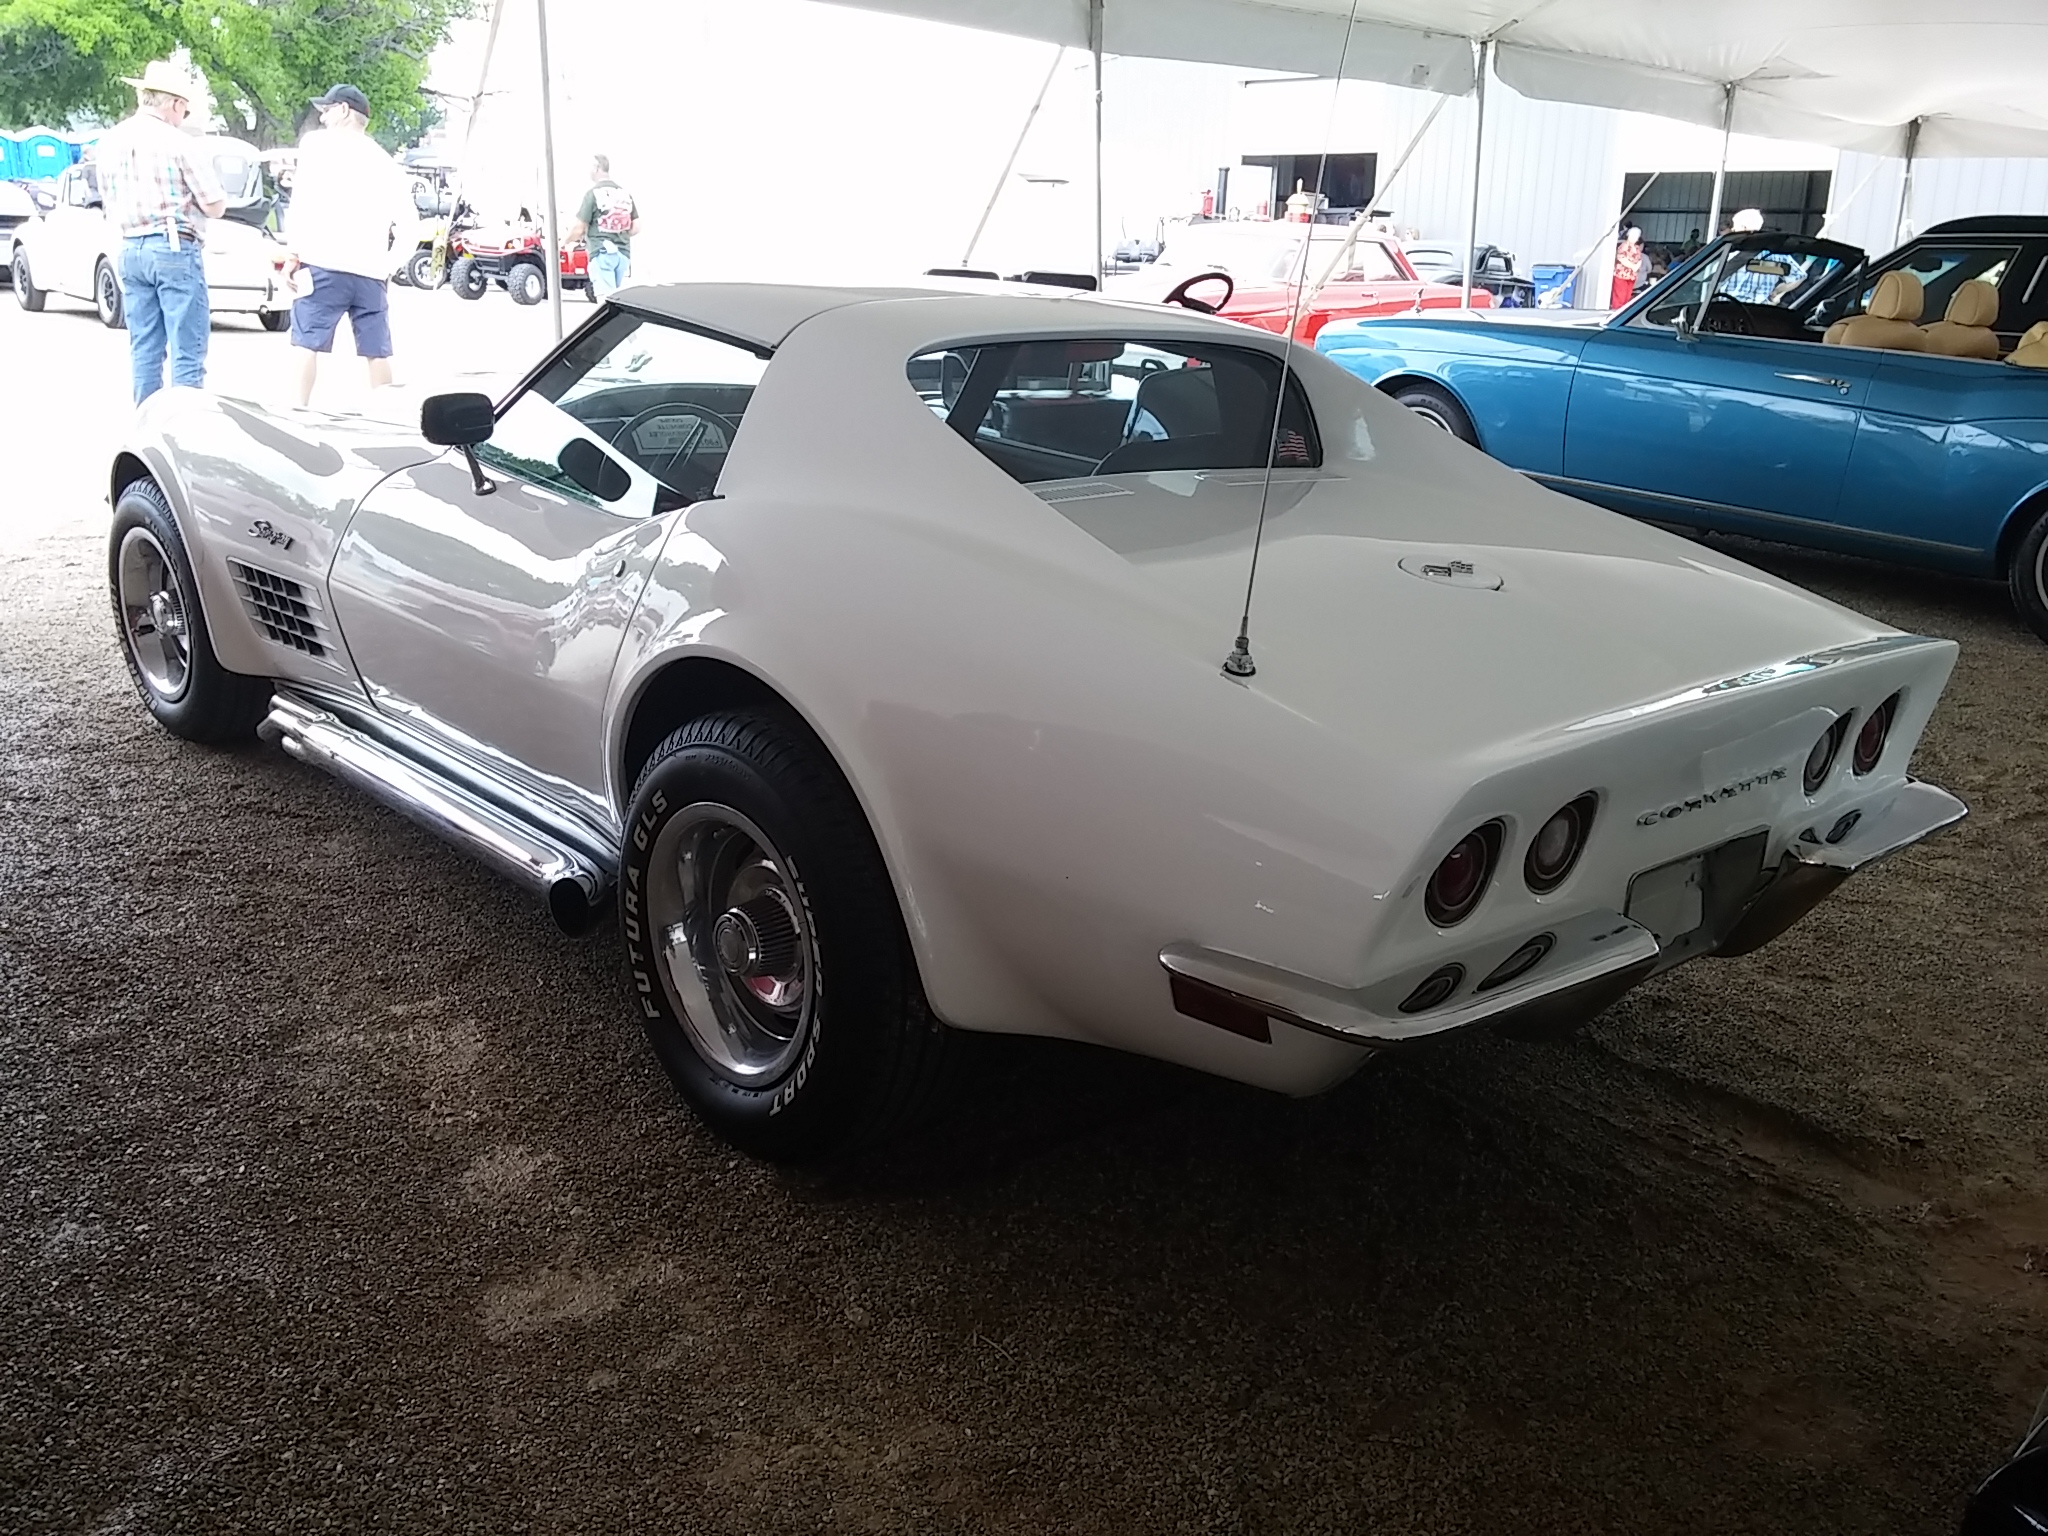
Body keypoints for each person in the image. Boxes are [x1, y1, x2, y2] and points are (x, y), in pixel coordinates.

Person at [95, 60, 228, 405]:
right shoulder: (179, 142)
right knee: (187, 348)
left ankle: (145, 430)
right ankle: (182, 431)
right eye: (184, 109)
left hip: (131, 246)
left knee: (145, 347)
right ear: (174, 103)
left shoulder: (109, 141)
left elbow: (107, 199)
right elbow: (214, 204)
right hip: (172, 245)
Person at [282, 84, 416, 407]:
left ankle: (298, 410)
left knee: (306, 343)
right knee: (377, 351)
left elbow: (301, 203)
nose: (323, 117)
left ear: (343, 110)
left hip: (323, 263)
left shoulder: (315, 145)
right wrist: (388, 264)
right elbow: (410, 226)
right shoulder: (386, 162)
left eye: (326, 110)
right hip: (370, 272)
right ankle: (387, 415)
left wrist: (293, 253)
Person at [567, 155, 638, 299]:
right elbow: (636, 226)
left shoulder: (593, 194)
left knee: (605, 301)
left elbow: (579, 228)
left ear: (596, 167)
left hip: (602, 251)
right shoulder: (625, 194)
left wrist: (563, 242)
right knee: (617, 297)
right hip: (623, 254)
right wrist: (619, 234)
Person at [1610, 227, 1645, 309]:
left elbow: (1639, 259)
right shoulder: (1624, 245)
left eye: (1636, 236)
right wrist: (1633, 266)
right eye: (1632, 235)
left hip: (1631, 276)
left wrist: (1636, 267)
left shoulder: (1637, 248)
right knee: (1619, 296)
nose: (1634, 237)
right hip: (1621, 275)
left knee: (1627, 297)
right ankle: (1616, 312)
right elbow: (1621, 258)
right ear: (1628, 235)